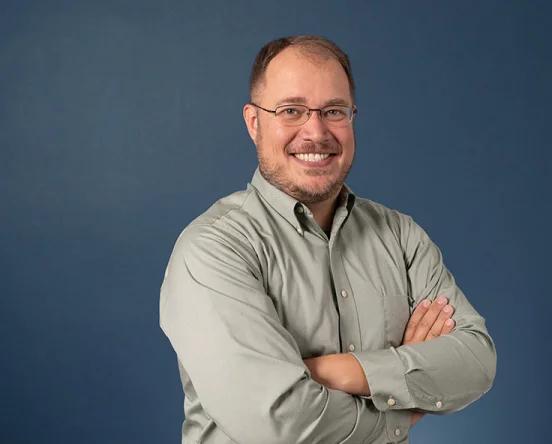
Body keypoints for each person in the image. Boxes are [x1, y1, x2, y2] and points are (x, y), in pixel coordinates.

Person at [159, 35, 496, 444]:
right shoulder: (213, 249)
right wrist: (402, 402)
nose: (315, 131)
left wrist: (328, 370)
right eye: (291, 110)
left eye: (333, 111)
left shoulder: (401, 236)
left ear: (353, 118)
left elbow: (476, 361)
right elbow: (281, 424)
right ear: (254, 122)